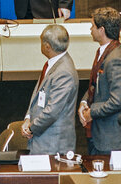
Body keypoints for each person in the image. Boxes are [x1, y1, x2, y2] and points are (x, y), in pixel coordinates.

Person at [78, 7, 121, 154]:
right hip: (99, 135)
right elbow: (96, 84)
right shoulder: (105, 52)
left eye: (93, 26)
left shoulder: (117, 60)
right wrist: (84, 103)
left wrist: (91, 112)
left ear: (101, 30)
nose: (90, 29)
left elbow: (117, 101)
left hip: (111, 140)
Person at [23, 24, 78, 155]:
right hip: (42, 140)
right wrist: (28, 117)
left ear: (47, 46)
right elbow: (37, 95)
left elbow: (52, 111)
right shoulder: (53, 64)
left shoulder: (64, 72)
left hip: (53, 145)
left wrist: (31, 128)